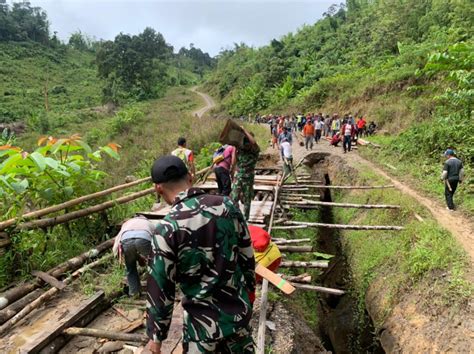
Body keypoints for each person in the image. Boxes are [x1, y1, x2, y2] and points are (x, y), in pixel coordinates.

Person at [146, 156, 256, 354]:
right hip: (237, 318)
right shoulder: (227, 206)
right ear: (190, 177)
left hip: (202, 329)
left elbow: (161, 287)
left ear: (158, 188)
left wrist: (156, 337)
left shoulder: (166, 229)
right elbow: (247, 254)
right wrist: (249, 290)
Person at [113, 215, 154, 297]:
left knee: (130, 267)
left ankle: (134, 293)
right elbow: (156, 238)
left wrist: (117, 253)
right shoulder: (148, 223)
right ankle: (156, 291)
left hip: (126, 239)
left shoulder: (127, 223)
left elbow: (118, 238)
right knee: (154, 265)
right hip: (144, 238)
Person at [231, 129, 260, 220]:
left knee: (247, 199)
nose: (246, 144)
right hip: (239, 176)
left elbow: (254, 142)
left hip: (248, 178)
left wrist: (244, 130)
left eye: (247, 141)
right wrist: (235, 148)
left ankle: (245, 219)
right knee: (234, 198)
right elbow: (233, 163)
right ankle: (234, 217)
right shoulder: (240, 150)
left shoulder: (255, 150)